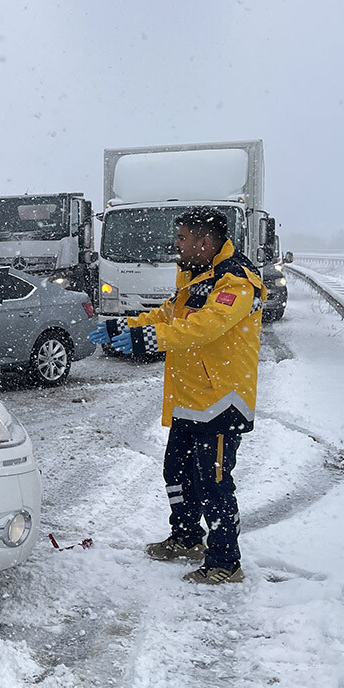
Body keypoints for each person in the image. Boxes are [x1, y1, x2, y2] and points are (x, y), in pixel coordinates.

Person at [88, 206, 267, 584]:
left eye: (183, 238)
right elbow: (169, 315)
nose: (176, 244)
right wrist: (123, 325)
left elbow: (203, 328)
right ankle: (186, 539)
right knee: (177, 473)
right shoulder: (195, 276)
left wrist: (146, 340)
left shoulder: (236, 281)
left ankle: (225, 562)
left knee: (215, 484)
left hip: (221, 401)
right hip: (190, 397)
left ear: (204, 242)